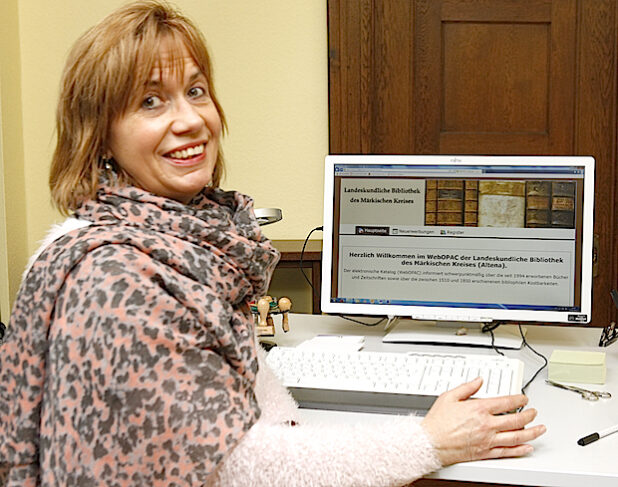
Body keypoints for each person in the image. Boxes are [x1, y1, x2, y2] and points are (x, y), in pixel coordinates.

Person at [0, 1, 546, 486]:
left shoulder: (183, 240)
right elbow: (236, 465)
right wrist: (430, 443)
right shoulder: (118, 282)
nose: (190, 120)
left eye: (195, 91)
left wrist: (303, 425)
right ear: (101, 137)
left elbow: (249, 392)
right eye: (150, 102)